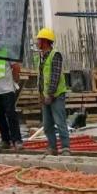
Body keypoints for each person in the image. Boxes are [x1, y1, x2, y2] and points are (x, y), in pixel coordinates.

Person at [36, 27, 71, 156]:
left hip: (56, 95)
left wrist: (50, 94)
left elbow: (55, 76)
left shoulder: (55, 55)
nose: (37, 42)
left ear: (45, 41)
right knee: (47, 124)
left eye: (39, 40)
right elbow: (41, 77)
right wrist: (40, 94)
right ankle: (52, 147)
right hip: (46, 96)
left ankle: (66, 147)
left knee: (60, 122)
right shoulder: (41, 57)